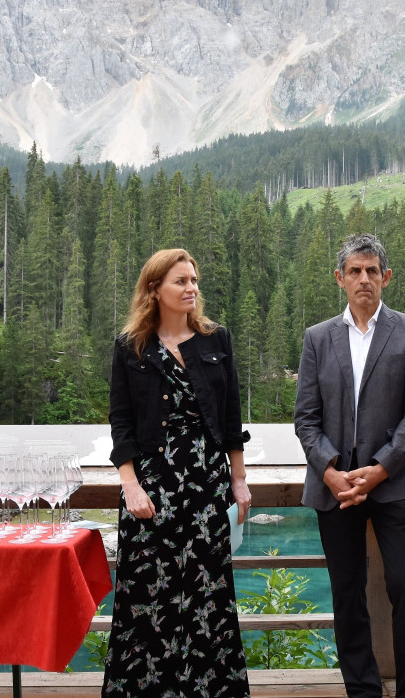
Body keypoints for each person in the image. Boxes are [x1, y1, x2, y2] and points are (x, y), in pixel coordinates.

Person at [104, 248, 252, 697]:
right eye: (181, 281)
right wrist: (130, 486)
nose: (191, 288)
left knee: (209, 595)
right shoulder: (131, 347)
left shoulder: (215, 340)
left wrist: (238, 478)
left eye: (194, 281)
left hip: (207, 485)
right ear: (155, 289)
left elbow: (230, 415)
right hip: (151, 488)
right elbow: (121, 421)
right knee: (147, 597)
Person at [294, 233, 405, 698]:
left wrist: (379, 469)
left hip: (393, 483)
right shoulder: (318, 338)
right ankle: (363, 691)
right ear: (340, 279)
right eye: (354, 271)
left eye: (372, 271)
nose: (364, 279)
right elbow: (306, 418)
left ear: (386, 277)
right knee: (347, 593)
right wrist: (330, 472)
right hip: (334, 487)